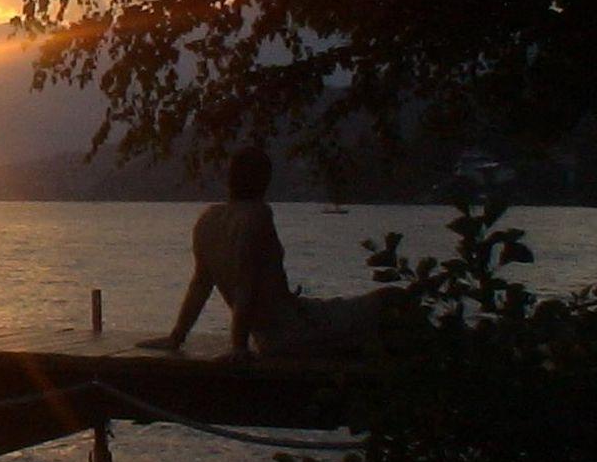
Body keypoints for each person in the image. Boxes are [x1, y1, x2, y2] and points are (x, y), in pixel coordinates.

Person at [136, 146, 406, 357]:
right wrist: (239, 346)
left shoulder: (207, 221)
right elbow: (247, 286)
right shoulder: (258, 216)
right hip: (294, 330)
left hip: (275, 331)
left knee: (372, 326)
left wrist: (177, 335)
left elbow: (200, 285)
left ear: (229, 179)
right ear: (264, 181)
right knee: (393, 297)